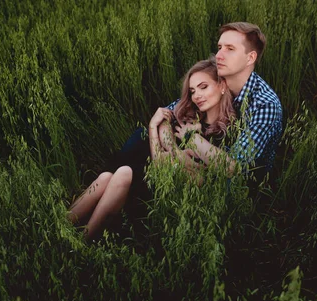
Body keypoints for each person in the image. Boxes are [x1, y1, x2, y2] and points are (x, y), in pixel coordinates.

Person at [68, 58, 235, 240]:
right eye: (193, 91)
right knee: (106, 176)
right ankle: (62, 229)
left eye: (203, 87)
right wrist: (153, 128)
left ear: (222, 86)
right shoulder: (186, 118)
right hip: (156, 179)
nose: (196, 96)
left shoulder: (228, 131)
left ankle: (81, 242)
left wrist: (184, 147)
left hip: (171, 196)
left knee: (122, 173)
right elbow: (159, 161)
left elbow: (211, 176)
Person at [149, 22, 283, 178]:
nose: (219, 55)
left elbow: (234, 168)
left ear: (250, 58)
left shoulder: (265, 104)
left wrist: (190, 138)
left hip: (242, 188)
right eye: (220, 48)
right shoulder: (219, 79)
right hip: (205, 164)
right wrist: (175, 151)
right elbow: (168, 114)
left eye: (230, 49)